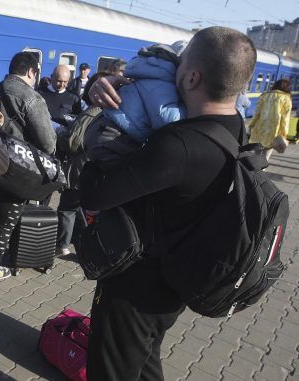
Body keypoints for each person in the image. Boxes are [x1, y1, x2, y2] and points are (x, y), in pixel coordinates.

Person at [80, 26, 257, 380]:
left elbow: (93, 192)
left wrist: (102, 126)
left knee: (111, 370)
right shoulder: (234, 127)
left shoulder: (178, 146)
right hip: (171, 287)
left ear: (191, 77)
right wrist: (102, 84)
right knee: (145, 364)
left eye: (178, 63)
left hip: (136, 289)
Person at [0, 52, 56, 282]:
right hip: (17, 167)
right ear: (31, 71)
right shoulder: (31, 97)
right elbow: (47, 142)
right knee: (7, 219)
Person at [86, 43, 187, 162]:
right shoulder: (164, 85)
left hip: (102, 126)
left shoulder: (146, 73)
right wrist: (186, 113)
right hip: (116, 136)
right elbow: (166, 117)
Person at [55, 73, 108, 256]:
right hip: (101, 168)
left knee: (67, 207)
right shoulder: (118, 113)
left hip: (81, 167)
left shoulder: (92, 112)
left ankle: (63, 245)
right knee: (86, 208)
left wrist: (61, 133)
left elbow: (72, 142)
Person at [249, 78, 293, 161]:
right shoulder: (286, 98)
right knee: (267, 153)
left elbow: (257, 113)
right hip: (273, 130)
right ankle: (260, 170)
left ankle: (254, 168)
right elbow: (285, 119)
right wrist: (284, 134)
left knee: (257, 151)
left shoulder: (264, 95)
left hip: (259, 128)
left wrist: (251, 125)